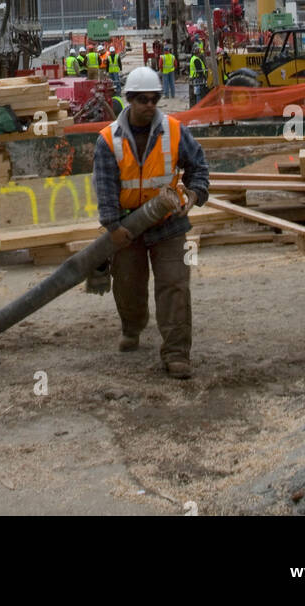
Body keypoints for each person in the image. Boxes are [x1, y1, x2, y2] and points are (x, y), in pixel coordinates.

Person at [92, 66, 209, 378]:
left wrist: (196, 193)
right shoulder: (108, 140)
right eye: (143, 99)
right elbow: (105, 188)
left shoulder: (173, 130)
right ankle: (132, 327)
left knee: (174, 285)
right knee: (128, 286)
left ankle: (176, 353)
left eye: (155, 98)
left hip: (167, 224)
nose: (150, 104)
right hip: (128, 227)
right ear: (129, 99)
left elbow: (198, 165)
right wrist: (112, 226)